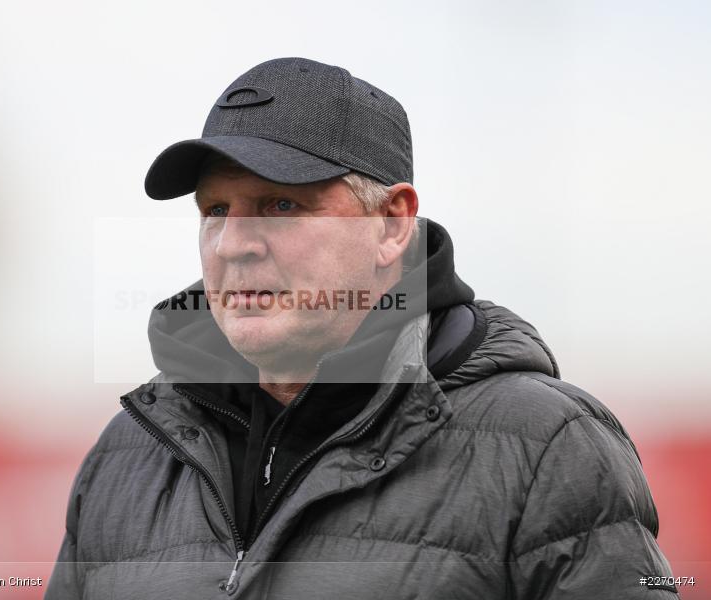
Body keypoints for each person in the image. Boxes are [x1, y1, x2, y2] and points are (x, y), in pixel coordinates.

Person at [46, 57, 676, 599]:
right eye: (215, 210)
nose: (234, 242)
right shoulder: (127, 455)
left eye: (281, 205)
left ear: (393, 223)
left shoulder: (545, 447)